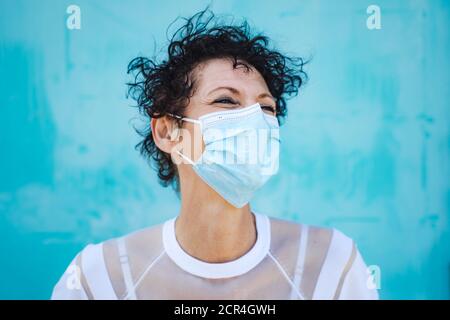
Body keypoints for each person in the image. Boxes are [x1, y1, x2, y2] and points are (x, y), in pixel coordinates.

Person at [51, 9, 379, 300]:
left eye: (266, 107)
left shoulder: (331, 267)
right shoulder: (98, 279)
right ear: (168, 132)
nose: (254, 119)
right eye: (226, 100)